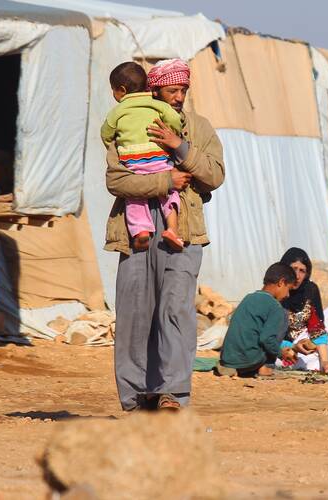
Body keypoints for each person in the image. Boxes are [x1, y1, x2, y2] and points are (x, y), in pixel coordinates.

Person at [104, 58, 225, 411]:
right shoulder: (129, 124)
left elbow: (214, 175)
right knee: (135, 314)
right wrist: (163, 181)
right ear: (153, 90)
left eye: (184, 90)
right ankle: (135, 399)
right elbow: (115, 180)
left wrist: (179, 147)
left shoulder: (199, 128)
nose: (179, 96)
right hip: (135, 231)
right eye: (173, 90)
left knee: (174, 311)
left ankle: (173, 394)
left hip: (182, 230)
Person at [101, 62, 184, 251]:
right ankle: (172, 228)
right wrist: (173, 133)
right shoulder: (156, 105)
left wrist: (118, 146)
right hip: (157, 157)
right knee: (170, 192)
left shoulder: (117, 111)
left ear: (121, 90)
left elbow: (106, 132)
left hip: (132, 162)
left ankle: (141, 231)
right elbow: (174, 119)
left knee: (134, 196)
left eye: (113, 90)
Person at [218, 263, 298, 377]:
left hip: (227, 359)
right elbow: (267, 339)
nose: (288, 295)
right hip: (249, 360)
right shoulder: (275, 306)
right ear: (281, 282)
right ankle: (264, 367)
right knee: (272, 340)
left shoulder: (249, 297)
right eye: (288, 289)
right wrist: (281, 353)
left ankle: (237, 367)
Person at [279, 247, 328, 374]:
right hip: (282, 348)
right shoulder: (277, 288)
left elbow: (317, 328)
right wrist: (291, 348)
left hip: (305, 340)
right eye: (294, 269)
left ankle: (323, 363)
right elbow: (269, 336)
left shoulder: (310, 290)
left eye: (302, 271)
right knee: (292, 361)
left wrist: (324, 361)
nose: (297, 276)